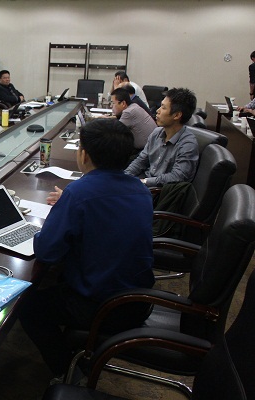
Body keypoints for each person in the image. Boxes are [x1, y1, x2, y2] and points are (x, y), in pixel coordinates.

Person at [19, 118, 154, 382]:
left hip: (103, 306)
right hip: (137, 298)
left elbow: (47, 252)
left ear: (84, 155)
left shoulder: (79, 193)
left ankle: (68, 372)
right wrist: (71, 202)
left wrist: (64, 207)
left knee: (28, 306)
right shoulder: (140, 189)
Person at [125, 87, 199, 187]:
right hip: (144, 184)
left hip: (160, 191)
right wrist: (125, 177)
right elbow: (141, 161)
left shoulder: (188, 144)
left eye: (163, 108)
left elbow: (177, 177)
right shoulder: (156, 133)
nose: (157, 111)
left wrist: (145, 182)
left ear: (177, 115)